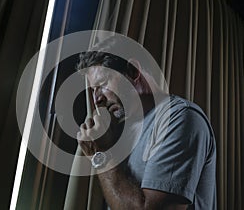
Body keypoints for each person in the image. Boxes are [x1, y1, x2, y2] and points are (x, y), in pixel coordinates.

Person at [75, 37, 217, 210]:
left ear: (133, 71)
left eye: (103, 84)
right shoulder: (119, 129)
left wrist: (101, 156)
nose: (97, 100)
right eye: (93, 90)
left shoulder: (180, 119)